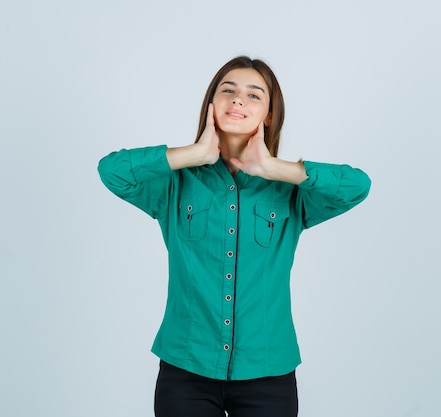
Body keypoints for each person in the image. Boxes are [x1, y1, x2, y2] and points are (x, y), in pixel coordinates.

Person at [98, 55, 371, 417]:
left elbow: (357, 186)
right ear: (212, 104)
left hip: (268, 371)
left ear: (269, 115)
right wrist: (195, 153)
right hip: (186, 368)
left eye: (254, 95)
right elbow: (112, 170)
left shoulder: (290, 190)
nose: (239, 99)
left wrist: (273, 167)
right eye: (228, 90)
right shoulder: (175, 182)